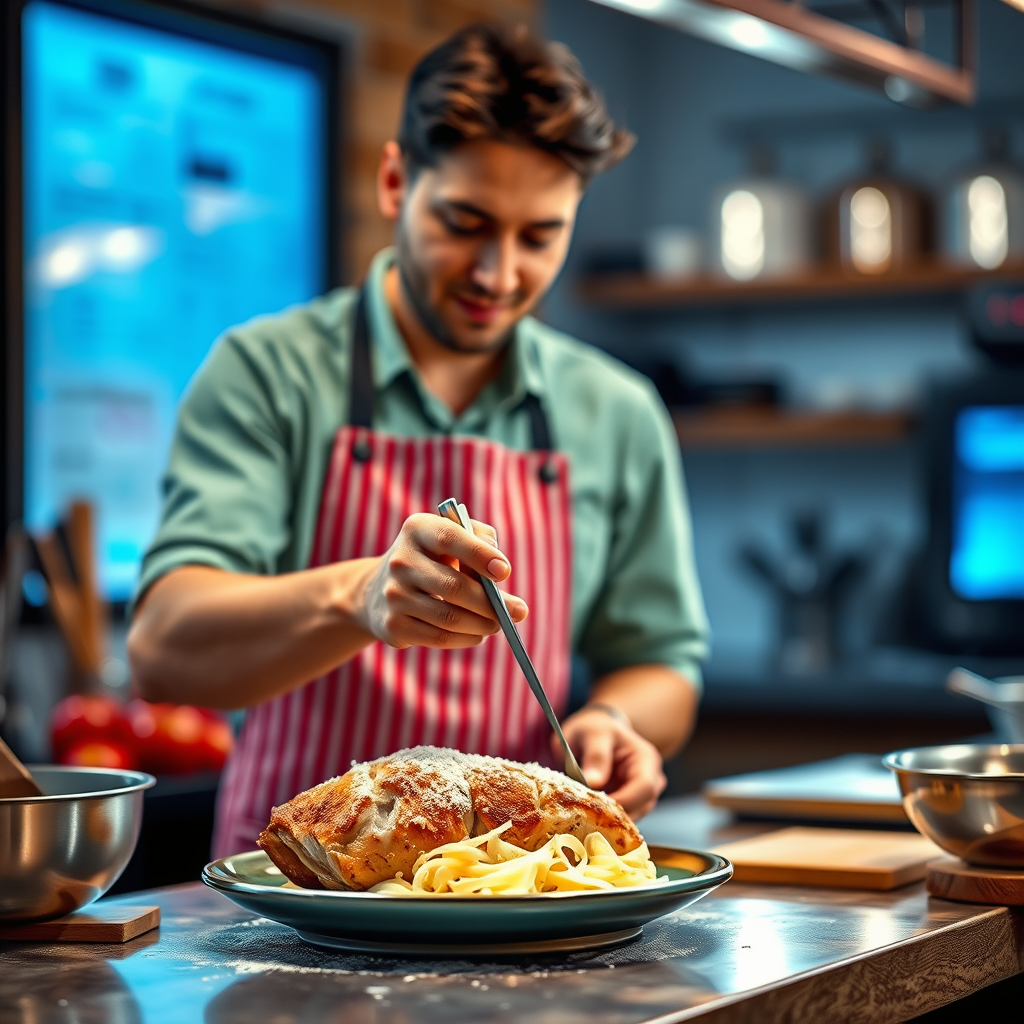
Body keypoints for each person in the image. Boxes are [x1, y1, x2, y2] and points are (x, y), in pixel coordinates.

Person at [128, 23, 709, 858]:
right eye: (467, 221)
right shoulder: (268, 371)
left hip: (514, 886)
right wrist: (360, 599)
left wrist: (613, 719)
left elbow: (662, 661)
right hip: (296, 899)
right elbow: (162, 648)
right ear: (397, 181)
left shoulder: (617, 410)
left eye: (539, 236)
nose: (498, 273)